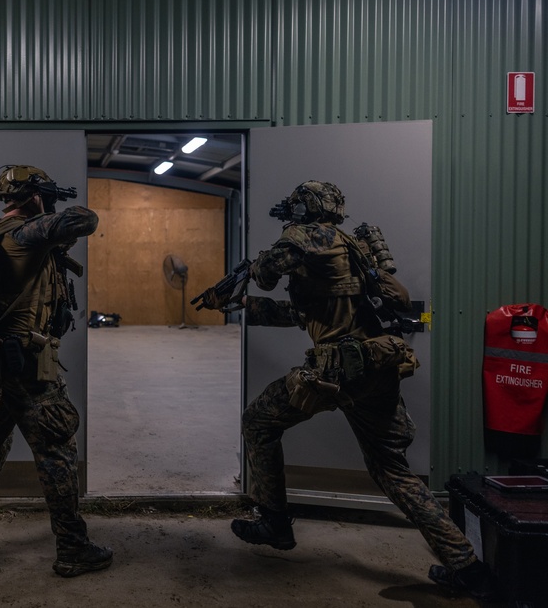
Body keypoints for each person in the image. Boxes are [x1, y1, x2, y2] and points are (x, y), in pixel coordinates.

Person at [195, 180, 496, 602]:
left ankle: (275, 523)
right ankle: (466, 565)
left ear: (306, 210)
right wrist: (242, 306)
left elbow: (264, 274)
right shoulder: (352, 248)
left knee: (258, 422)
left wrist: (247, 277)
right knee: (392, 471)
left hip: (336, 372)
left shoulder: (306, 238)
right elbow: (307, 313)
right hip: (378, 368)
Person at [0, 165, 113, 578]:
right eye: (44, 195)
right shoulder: (26, 233)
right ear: (34, 196)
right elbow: (85, 218)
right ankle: (73, 547)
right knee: (57, 450)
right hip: (26, 370)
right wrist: (47, 210)